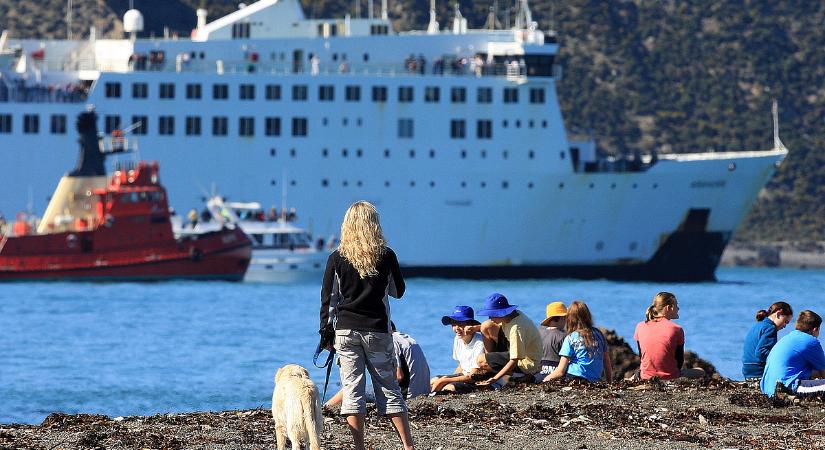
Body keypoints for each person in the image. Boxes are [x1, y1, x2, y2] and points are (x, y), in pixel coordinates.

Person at [319, 201, 414, 450]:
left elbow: (329, 301)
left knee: (352, 390)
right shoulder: (387, 256)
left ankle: (359, 447)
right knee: (389, 388)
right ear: (375, 225)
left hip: (346, 331)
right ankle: (408, 445)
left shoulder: (336, 259)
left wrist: (325, 335)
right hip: (378, 329)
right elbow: (398, 291)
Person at [474, 293, 543, 388]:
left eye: (492, 315)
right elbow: (492, 326)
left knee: (481, 360)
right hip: (517, 351)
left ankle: (518, 375)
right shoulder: (513, 315)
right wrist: (475, 328)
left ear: (501, 313)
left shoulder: (516, 328)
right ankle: (491, 367)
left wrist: (495, 378)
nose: (490, 318)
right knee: (486, 325)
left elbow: (515, 360)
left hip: (527, 363)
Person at [633, 292, 705, 380]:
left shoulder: (640, 326)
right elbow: (679, 362)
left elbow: (642, 356)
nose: (678, 308)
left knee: (636, 375)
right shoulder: (677, 329)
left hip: (645, 376)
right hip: (670, 376)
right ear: (668, 308)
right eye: (676, 305)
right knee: (701, 371)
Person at [545, 301, 613, 383]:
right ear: (588, 316)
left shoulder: (571, 338)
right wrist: (610, 382)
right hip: (595, 380)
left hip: (574, 378)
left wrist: (545, 380)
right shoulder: (599, 334)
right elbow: (606, 361)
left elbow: (560, 371)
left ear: (570, 318)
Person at [761, 310, 825, 396]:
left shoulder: (788, 337)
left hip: (767, 387)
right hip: (786, 388)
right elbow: (823, 372)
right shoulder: (811, 341)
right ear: (815, 329)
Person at [430, 306, 486, 393]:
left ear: (470, 325)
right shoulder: (458, 339)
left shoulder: (480, 342)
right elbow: (461, 365)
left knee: (448, 387)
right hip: (464, 375)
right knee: (433, 380)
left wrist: (445, 381)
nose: (457, 328)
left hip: (476, 380)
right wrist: (447, 378)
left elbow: (473, 376)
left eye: (461, 324)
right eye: (454, 324)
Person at [742, 301, 793, 380]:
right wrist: (781, 358)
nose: (785, 325)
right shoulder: (770, 328)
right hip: (759, 372)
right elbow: (761, 352)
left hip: (748, 372)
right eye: (786, 321)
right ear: (778, 314)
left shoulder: (758, 325)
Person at [392, 322, 431, 399]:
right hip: (425, 390)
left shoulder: (392, 340)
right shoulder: (407, 338)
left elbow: (399, 376)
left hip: (410, 394)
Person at [535, 301, 567, 382]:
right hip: (557, 373)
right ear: (561, 318)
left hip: (539, 372)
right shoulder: (564, 336)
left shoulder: (538, 332)